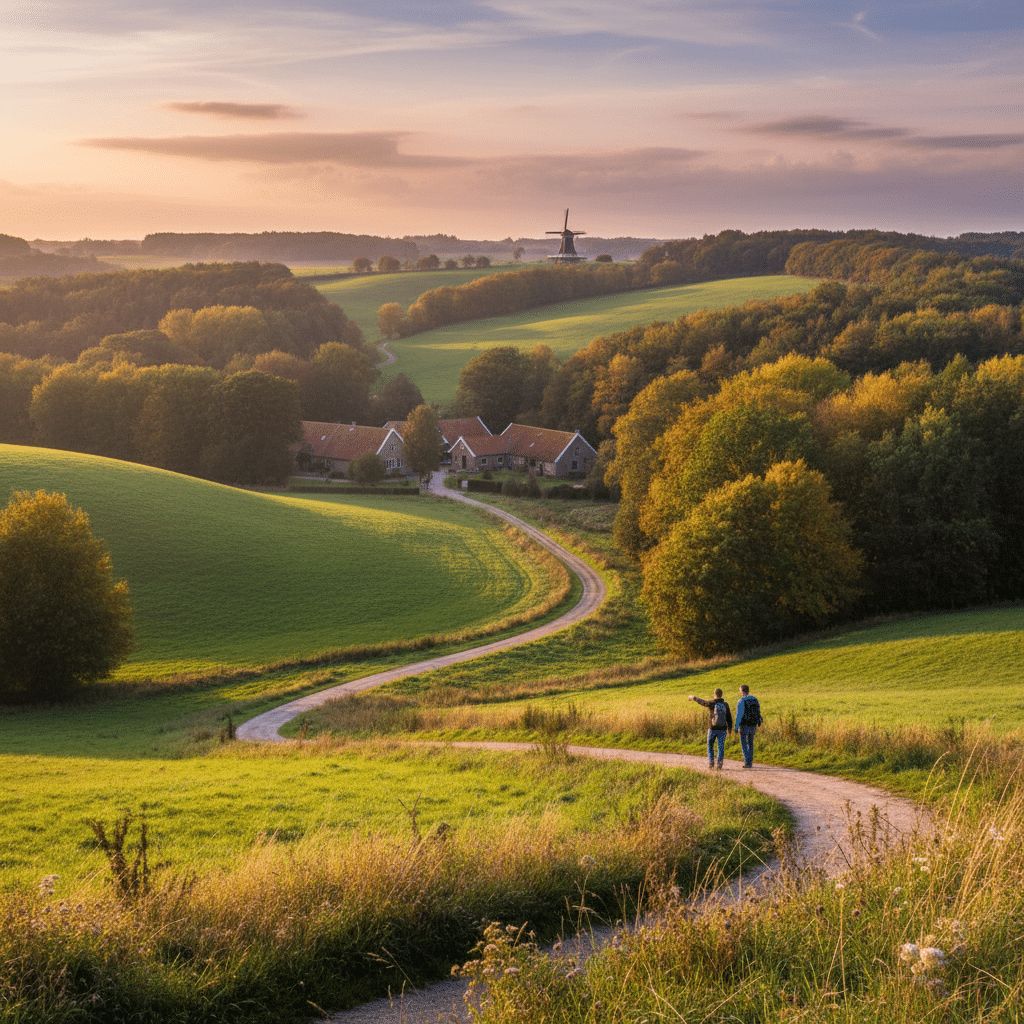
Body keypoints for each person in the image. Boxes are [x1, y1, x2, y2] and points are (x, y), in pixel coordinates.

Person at [688, 688, 732, 770]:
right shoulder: (725, 704)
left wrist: (693, 697)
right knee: (721, 747)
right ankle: (719, 764)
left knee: (710, 745)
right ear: (721, 695)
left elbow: (703, 702)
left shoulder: (712, 703)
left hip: (712, 728)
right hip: (722, 729)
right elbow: (729, 717)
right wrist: (729, 729)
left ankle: (711, 762)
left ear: (714, 694)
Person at [735, 683, 762, 768]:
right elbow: (758, 711)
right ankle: (750, 761)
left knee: (744, 743)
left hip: (744, 725)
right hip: (753, 725)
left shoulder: (741, 701)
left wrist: (736, 727)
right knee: (750, 743)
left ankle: (747, 762)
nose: (739, 692)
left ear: (742, 691)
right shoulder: (755, 699)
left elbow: (739, 715)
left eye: (740, 691)